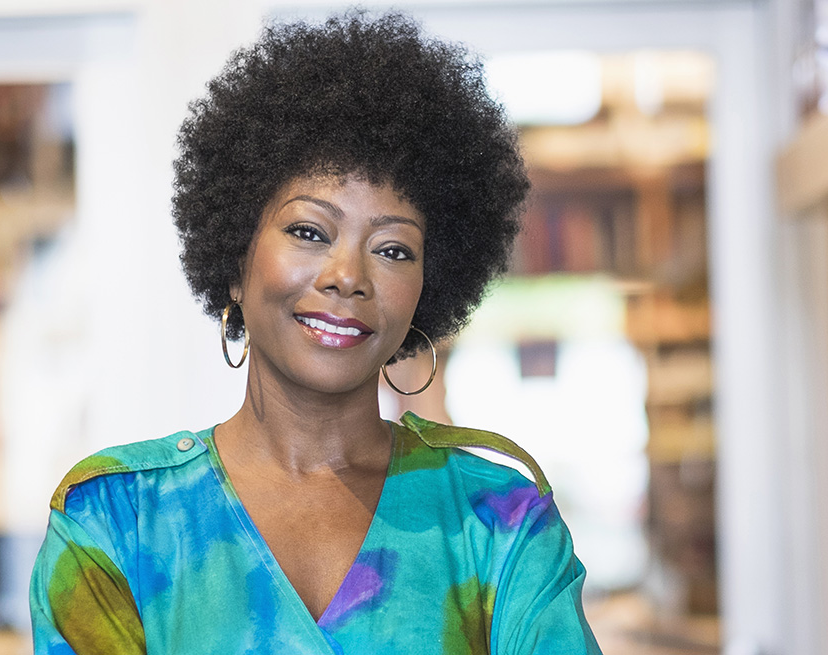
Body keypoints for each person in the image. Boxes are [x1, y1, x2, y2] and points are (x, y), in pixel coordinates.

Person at [30, 11, 602, 655]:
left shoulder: (499, 523)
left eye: (393, 250)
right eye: (309, 232)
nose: (348, 276)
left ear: (429, 289)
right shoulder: (116, 521)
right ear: (236, 261)